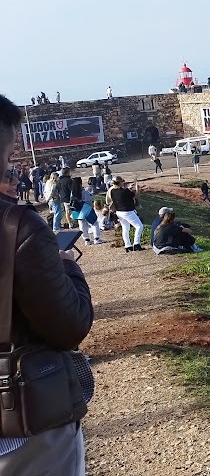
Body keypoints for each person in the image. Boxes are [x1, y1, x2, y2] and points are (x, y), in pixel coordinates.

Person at [0, 93, 95, 474]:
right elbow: (68, 326)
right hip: (18, 426)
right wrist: (67, 267)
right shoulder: (16, 226)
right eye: (8, 158)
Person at [108, 176, 143, 252]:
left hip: (119, 212)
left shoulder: (112, 191)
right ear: (120, 183)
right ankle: (136, 243)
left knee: (125, 228)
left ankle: (128, 245)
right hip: (128, 211)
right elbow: (136, 196)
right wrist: (137, 189)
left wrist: (129, 189)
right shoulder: (125, 191)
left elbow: (122, 194)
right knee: (139, 226)